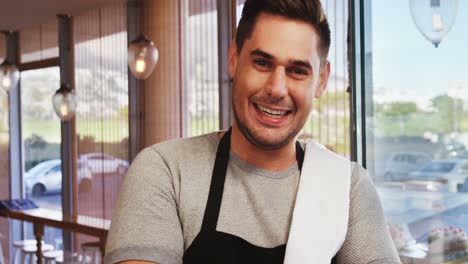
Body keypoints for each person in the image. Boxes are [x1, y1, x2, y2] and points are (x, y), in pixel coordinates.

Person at [104, 0, 400, 263]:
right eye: (262, 62)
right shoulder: (166, 171)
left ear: (321, 80)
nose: (276, 88)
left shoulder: (347, 187)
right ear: (234, 59)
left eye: (297, 70)